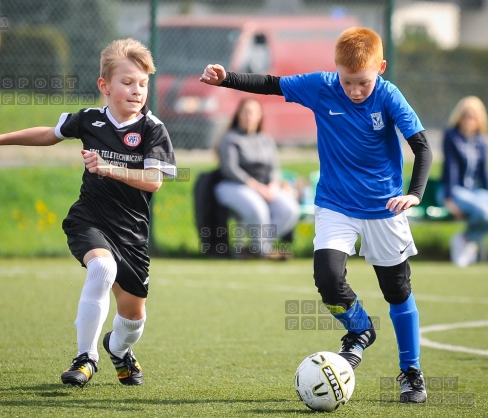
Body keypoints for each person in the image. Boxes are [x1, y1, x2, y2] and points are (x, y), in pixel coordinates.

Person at [200, 27, 432, 403]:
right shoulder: (321, 86)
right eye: (348, 81)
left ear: (381, 68)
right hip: (335, 206)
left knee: (397, 291)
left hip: (384, 207)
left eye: (364, 82)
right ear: (335, 69)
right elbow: (272, 84)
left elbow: (422, 148)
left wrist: (414, 195)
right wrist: (228, 78)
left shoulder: (389, 95)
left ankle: (411, 372)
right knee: (327, 277)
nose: (355, 90)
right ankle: (359, 329)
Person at [0, 38, 176, 387]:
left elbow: (154, 181)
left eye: (143, 84)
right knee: (101, 267)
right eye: (127, 82)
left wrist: (108, 166)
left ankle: (117, 350)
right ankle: (86, 358)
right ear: (105, 86)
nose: (136, 91)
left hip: (131, 234)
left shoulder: (153, 128)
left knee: (132, 321)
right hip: (90, 220)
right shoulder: (88, 120)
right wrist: (0, 138)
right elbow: (50, 134)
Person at [214, 97, 300, 259]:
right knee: (258, 209)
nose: (249, 116)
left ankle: (256, 249)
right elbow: (230, 169)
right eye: (245, 112)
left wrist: (273, 185)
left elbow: (274, 168)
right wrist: (257, 187)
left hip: (265, 187)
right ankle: (264, 252)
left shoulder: (266, 139)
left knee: (290, 209)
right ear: (238, 114)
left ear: (260, 116)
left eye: (253, 113)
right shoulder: (230, 138)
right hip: (233, 186)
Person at [439, 96, 488, 267]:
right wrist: (450, 198)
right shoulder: (451, 137)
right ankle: (466, 242)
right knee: (483, 212)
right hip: (453, 190)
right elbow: (450, 168)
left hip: (473, 191)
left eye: (473, 115)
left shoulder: (481, 141)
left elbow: (483, 173)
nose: (469, 119)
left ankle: (465, 239)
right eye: (465, 115)